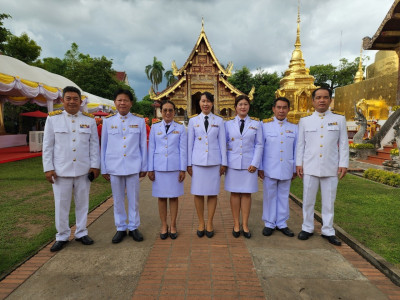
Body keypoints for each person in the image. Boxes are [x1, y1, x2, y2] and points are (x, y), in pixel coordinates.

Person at [42, 86, 100, 252]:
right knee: (61, 205)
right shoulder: (53, 119)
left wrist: (95, 166)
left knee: (83, 203)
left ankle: (81, 232)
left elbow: (94, 145)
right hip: (61, 171)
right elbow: (48, 146)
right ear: (62, 100)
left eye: (75, 98)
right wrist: (48, 168)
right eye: (69, 98)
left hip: (83, 170)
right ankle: (62, 235)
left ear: (81, 101)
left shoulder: (89, 120)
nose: (72, 101)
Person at [296, 87, 349, 246]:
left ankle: (328, 230)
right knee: (308, 200)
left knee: (328, 201)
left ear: (330, 100)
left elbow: (344, 144)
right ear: (312, 101)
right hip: (310, 166)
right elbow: (301, 145)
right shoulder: (305, 121)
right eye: (318, 97)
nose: (322, 100)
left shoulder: (339, 119)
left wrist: (343, 164)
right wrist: (299, 163)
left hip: (330, 167)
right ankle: (307, 227)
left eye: (325, 97)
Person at [101, 89, 147, 243]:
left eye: (126, 100)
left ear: (131, 103)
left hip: (133, 165)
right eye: (119, 100)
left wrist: (143, 166)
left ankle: (133, 227)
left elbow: (142, 146)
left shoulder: (139, 121)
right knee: (118, 199)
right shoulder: (108, 121)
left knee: (134, 199)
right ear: (115, 102)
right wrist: (104, 167)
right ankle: (120, 227)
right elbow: (104, 146)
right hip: (114, 166)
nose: (122, 103)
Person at [187, 92, 227, 238]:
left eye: (208, 101)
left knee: (212, 193)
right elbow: (190, 143)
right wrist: (188, 164)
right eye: (203, 101)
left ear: (212, 103)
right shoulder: (193, 121)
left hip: (214, 162)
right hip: (197, 162)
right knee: (198, 193)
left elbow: (222, 142)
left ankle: (209, 222)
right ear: (199, 103)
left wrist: (224, 162)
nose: (206, 104)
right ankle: (201, 222)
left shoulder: (219, 121)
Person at [224, 95, 263, 239]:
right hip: (233, 164)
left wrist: (255, 163)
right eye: (240, 104)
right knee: (234, 194)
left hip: (249, 165)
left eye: (245, 104)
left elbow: (259, 144)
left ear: (249, 107)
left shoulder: (256, 124)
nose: (243, 107)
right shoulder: (227, 124)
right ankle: (236, 224)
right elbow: (224, 143)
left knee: (246, 194)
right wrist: (224, 163)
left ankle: (245, 225)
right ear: (235, 107)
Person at [258, 97, 297, 238]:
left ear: (288, 109)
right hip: (269, 168)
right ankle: (269, 223)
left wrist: (295, 169)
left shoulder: (294, 127)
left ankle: (281, 223)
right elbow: (260, 147)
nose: (281, 110)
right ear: (273, 109)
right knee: (269, 195)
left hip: (287, 167)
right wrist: (260, 167)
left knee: (283, 196)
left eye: (284, 107)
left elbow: (296, 149)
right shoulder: (264, 125)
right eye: (278, 107)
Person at [148, 100, 187, 240]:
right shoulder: (155, 127)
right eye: (165, 110)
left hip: (174, 167)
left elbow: (183, 150)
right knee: (162, 197)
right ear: (161, 112)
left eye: (170, 110)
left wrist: (183, 169)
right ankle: (164, 225)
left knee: (174, 197)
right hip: (159, 167)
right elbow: (151, 148)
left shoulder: (180, 128)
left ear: (174, 112)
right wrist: (150, 168)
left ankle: (173, 224)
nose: (168, 113)